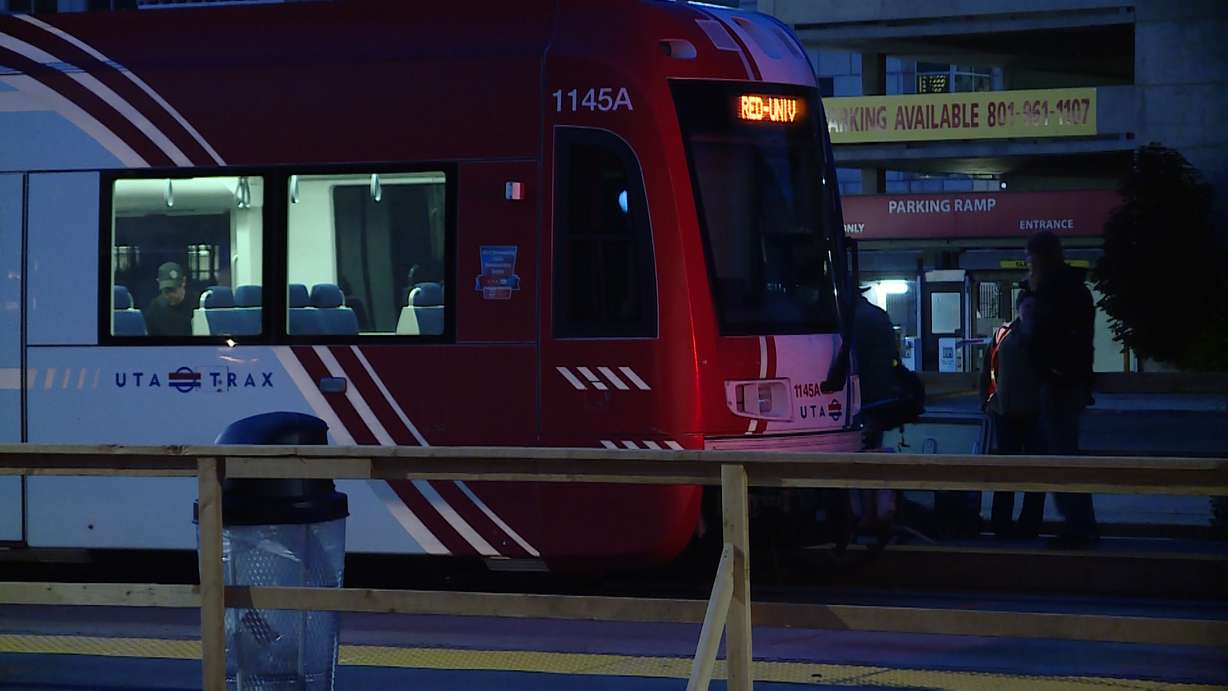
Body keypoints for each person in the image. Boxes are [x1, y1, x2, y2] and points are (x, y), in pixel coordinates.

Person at [1026, 231, 1098, 548]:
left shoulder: (1048, 293)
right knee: (1065, 455)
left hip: (1057, 382)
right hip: (1071, 381)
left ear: (1038, 257)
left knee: (1061, 457)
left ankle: (1078, 526)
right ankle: (1079, 523)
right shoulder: (1077, 290)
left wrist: (1028, 301)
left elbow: (1037, 334)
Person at [979, 288, 1045, 539]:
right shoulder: (1002, 334)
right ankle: (1001, 523)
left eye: (1034, 307)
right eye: (1027, 306)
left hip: (1035, 412)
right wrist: (986, 400)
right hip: (1004, 411)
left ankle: (1029, 525)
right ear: (1019, 308)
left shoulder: (1044, 335)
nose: (1031, 311)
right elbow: (988, 367)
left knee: (1035, 472)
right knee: (1005, 469)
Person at [144, 261, 192, 336]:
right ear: (158, 282)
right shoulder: (155, 308)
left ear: (183, 282)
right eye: (166, 291)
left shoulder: (198, 304)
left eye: (173, 290)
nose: (170, 295)